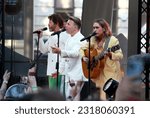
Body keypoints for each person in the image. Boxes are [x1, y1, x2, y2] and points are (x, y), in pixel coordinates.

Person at [80, 18, 123, 100]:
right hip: (98, 73)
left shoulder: (113, 40)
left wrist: (111, 54)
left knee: (109, 97)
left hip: (111, 73)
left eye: (97, 27)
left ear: (103, 29)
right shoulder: (93, 39)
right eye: (93, 28)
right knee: (99, 97)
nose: (94, 30)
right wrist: (84, 57)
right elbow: (82, 48)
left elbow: (120, 55)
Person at [51, 16, 87, 100]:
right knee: (69, 99)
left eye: (68, 24)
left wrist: (60, 51)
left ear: (75, 27)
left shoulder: (81, 39)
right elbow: (64, 58)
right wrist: (59, 71)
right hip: (70, 74)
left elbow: (75, 53)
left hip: (77, 75)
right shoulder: (70, 38)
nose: (65, 26)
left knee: (73, 100)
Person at [38, 13, 70, 91]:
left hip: (59, 71)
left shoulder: (65, 35)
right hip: (51, 70)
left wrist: (60, 70)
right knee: (53, 94)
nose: (48, 25)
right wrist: (40, 38)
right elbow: (43, 50)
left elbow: (66, 53)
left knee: (59, 94)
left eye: (50, 22)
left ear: (57, 23)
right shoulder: (52, 36)